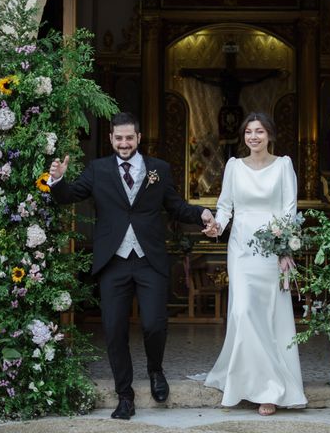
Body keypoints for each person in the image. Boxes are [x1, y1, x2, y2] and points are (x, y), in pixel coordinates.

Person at [48, 112, 216, 420]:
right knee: (114, 331)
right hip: (114, 262)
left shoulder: (159, 169)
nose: (124, 143)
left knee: (154, 325)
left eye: (129, 138)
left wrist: (202, 213)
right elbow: (69, 196)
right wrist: (57, 179)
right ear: (111, 139)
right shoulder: (97, 170)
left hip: (149, 259)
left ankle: (155, 370)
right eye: (119, 138)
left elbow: (175, 206)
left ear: (138, 138)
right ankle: (124, 396)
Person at [203, 112, 307, 416]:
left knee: (268, 316)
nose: (254, 137)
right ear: (243, 136)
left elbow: (289, 209)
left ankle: (270, 389)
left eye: (259, 131)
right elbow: (225, 207)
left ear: (269, 135)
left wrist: (285, 247)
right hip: (241, 247)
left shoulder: (283, 165)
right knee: (243, 310)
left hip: (272, 249)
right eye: (249, 132)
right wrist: (216, 227)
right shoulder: (234, 167)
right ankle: (250, 381)